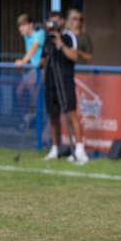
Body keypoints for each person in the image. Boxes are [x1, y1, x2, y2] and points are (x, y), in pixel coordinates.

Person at [40, 11, 88, 164]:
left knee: (71, 114)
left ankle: (79, 150)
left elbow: (74, 57)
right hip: (50, 82)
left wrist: (60, 44)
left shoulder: (68, 37)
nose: (53, 24)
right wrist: (46, 54)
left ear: (61, 21)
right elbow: (41, 62)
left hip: (65, 81)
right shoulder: (47, 39)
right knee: (53, 116)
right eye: (51, 21)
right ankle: (55, 149)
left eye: (56, 21)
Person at [14, 14, 45, 124]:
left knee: (31, 85)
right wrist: (25, 67)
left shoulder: (39, 33)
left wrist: (23, 61)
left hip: (44, 68)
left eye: (23, 25)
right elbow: (30, 54)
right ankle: (27, 116)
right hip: (33, 69)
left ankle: (37, 113)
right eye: (19, 26)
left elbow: (34, 48)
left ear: (31, 25)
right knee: (19, 91)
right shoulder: (26, 36)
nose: (20, 28)